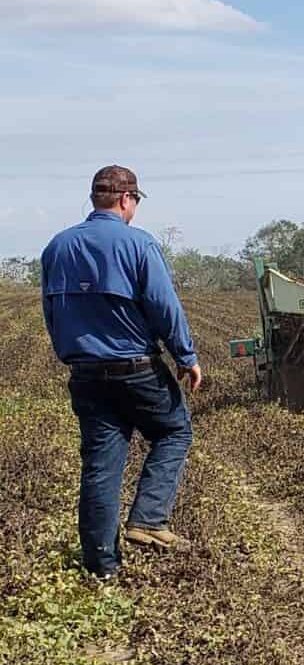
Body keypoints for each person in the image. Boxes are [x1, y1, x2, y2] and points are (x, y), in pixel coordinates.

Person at [41, 166, 202, 580]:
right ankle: (148, 518)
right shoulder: (138, 244)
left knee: (100, 463)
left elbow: (51, 313)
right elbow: (164, 307)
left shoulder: (56, 248)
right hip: (136, 369)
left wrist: (72, 354)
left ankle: (102, 566)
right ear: (127, 200)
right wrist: (186, 356)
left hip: (85, 373)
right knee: (174, 431)